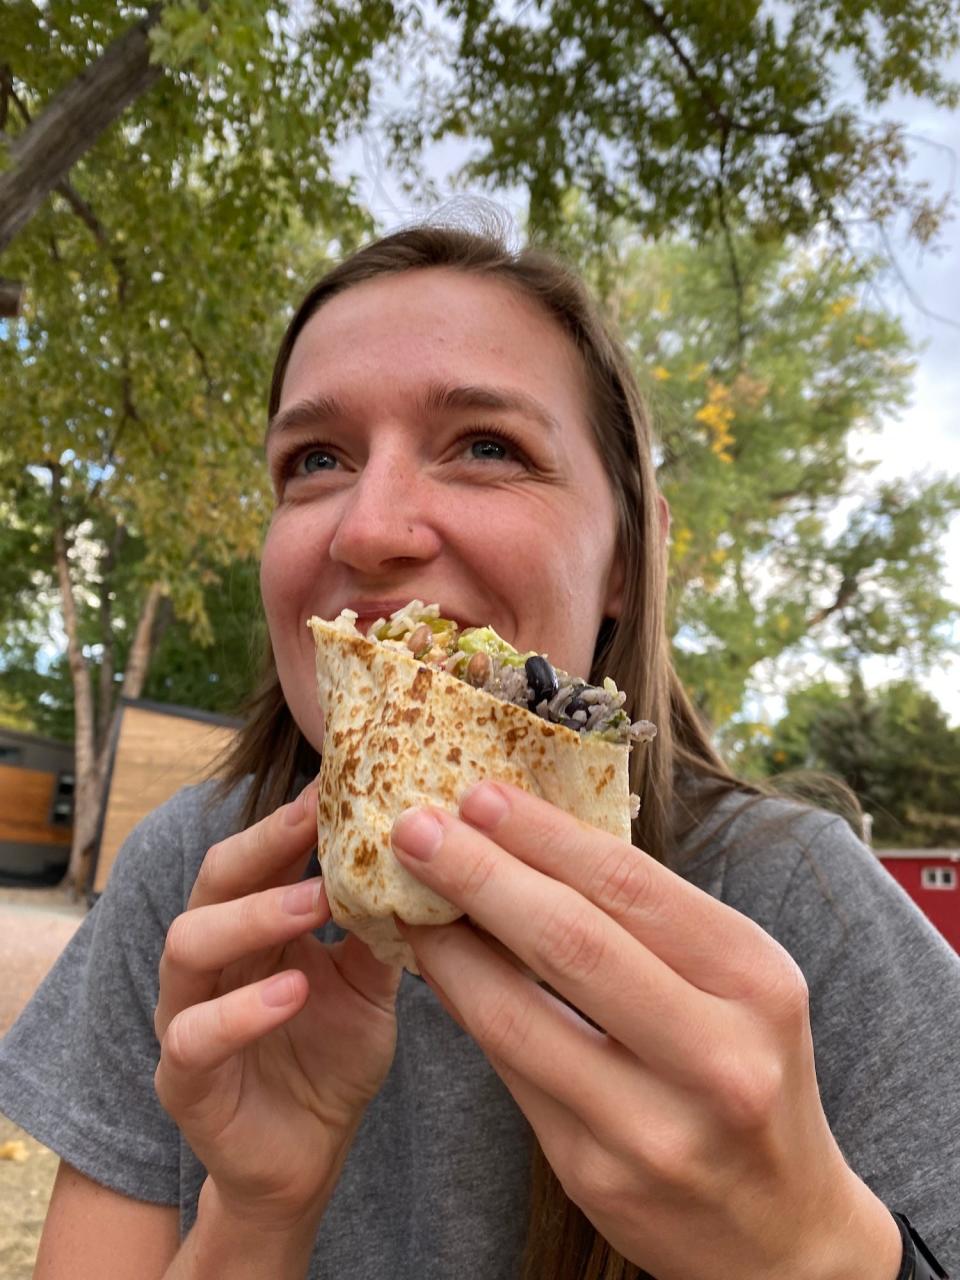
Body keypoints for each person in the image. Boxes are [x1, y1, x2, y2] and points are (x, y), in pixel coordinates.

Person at [1, 220, 957, 1280]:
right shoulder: (192, 884)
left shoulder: (795, 901)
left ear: (629, 562)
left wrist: (819, 1253)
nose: (369, 528)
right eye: (315, 459)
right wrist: (257, 1215)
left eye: (488, 446)